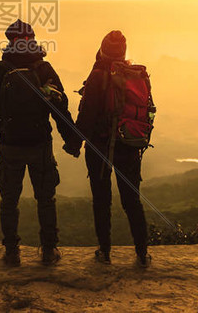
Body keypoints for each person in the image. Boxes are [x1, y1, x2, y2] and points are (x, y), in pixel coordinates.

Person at [0, 19, 78, 266]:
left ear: (10, 41)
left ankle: (12, 252)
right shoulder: (44, 69)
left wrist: (4, 100)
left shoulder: (0, 69)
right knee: (46, 199)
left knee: (10, 200)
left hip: (10, 146)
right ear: (32, 39)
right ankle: (49, 251)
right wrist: (72, 140)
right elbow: (60, 108)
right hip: (40, 144)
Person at [64, 30, 153, 267]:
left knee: (102, 200)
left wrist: (73, 144)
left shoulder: (98, 76)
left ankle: (104, 252)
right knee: (131, 199)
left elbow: (87, 116)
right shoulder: (136, 75)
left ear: (102, 50)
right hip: (130, 145)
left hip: (100, 147)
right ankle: (142, 253)